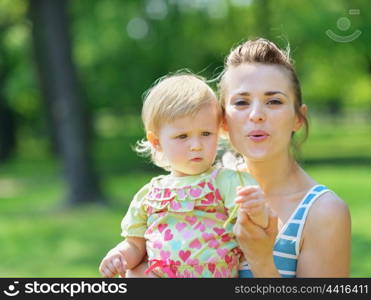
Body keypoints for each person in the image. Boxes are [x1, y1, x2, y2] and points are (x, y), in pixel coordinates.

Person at [99, 73, 269, 278]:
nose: (196, 146)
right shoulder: (148, 195)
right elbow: (135, 246)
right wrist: (118, 256)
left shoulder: (226, 181)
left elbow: (255, 229)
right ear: (156, 142)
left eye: (206, 134)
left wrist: (257, 209)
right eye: (182, 136)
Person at [219, 38, 351, 277]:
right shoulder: (204, 190)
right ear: (223, 121)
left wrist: (261, 260)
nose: (257, 115)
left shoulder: (324, 212)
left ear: (298, 118)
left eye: (274, 101)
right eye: (241, 102)